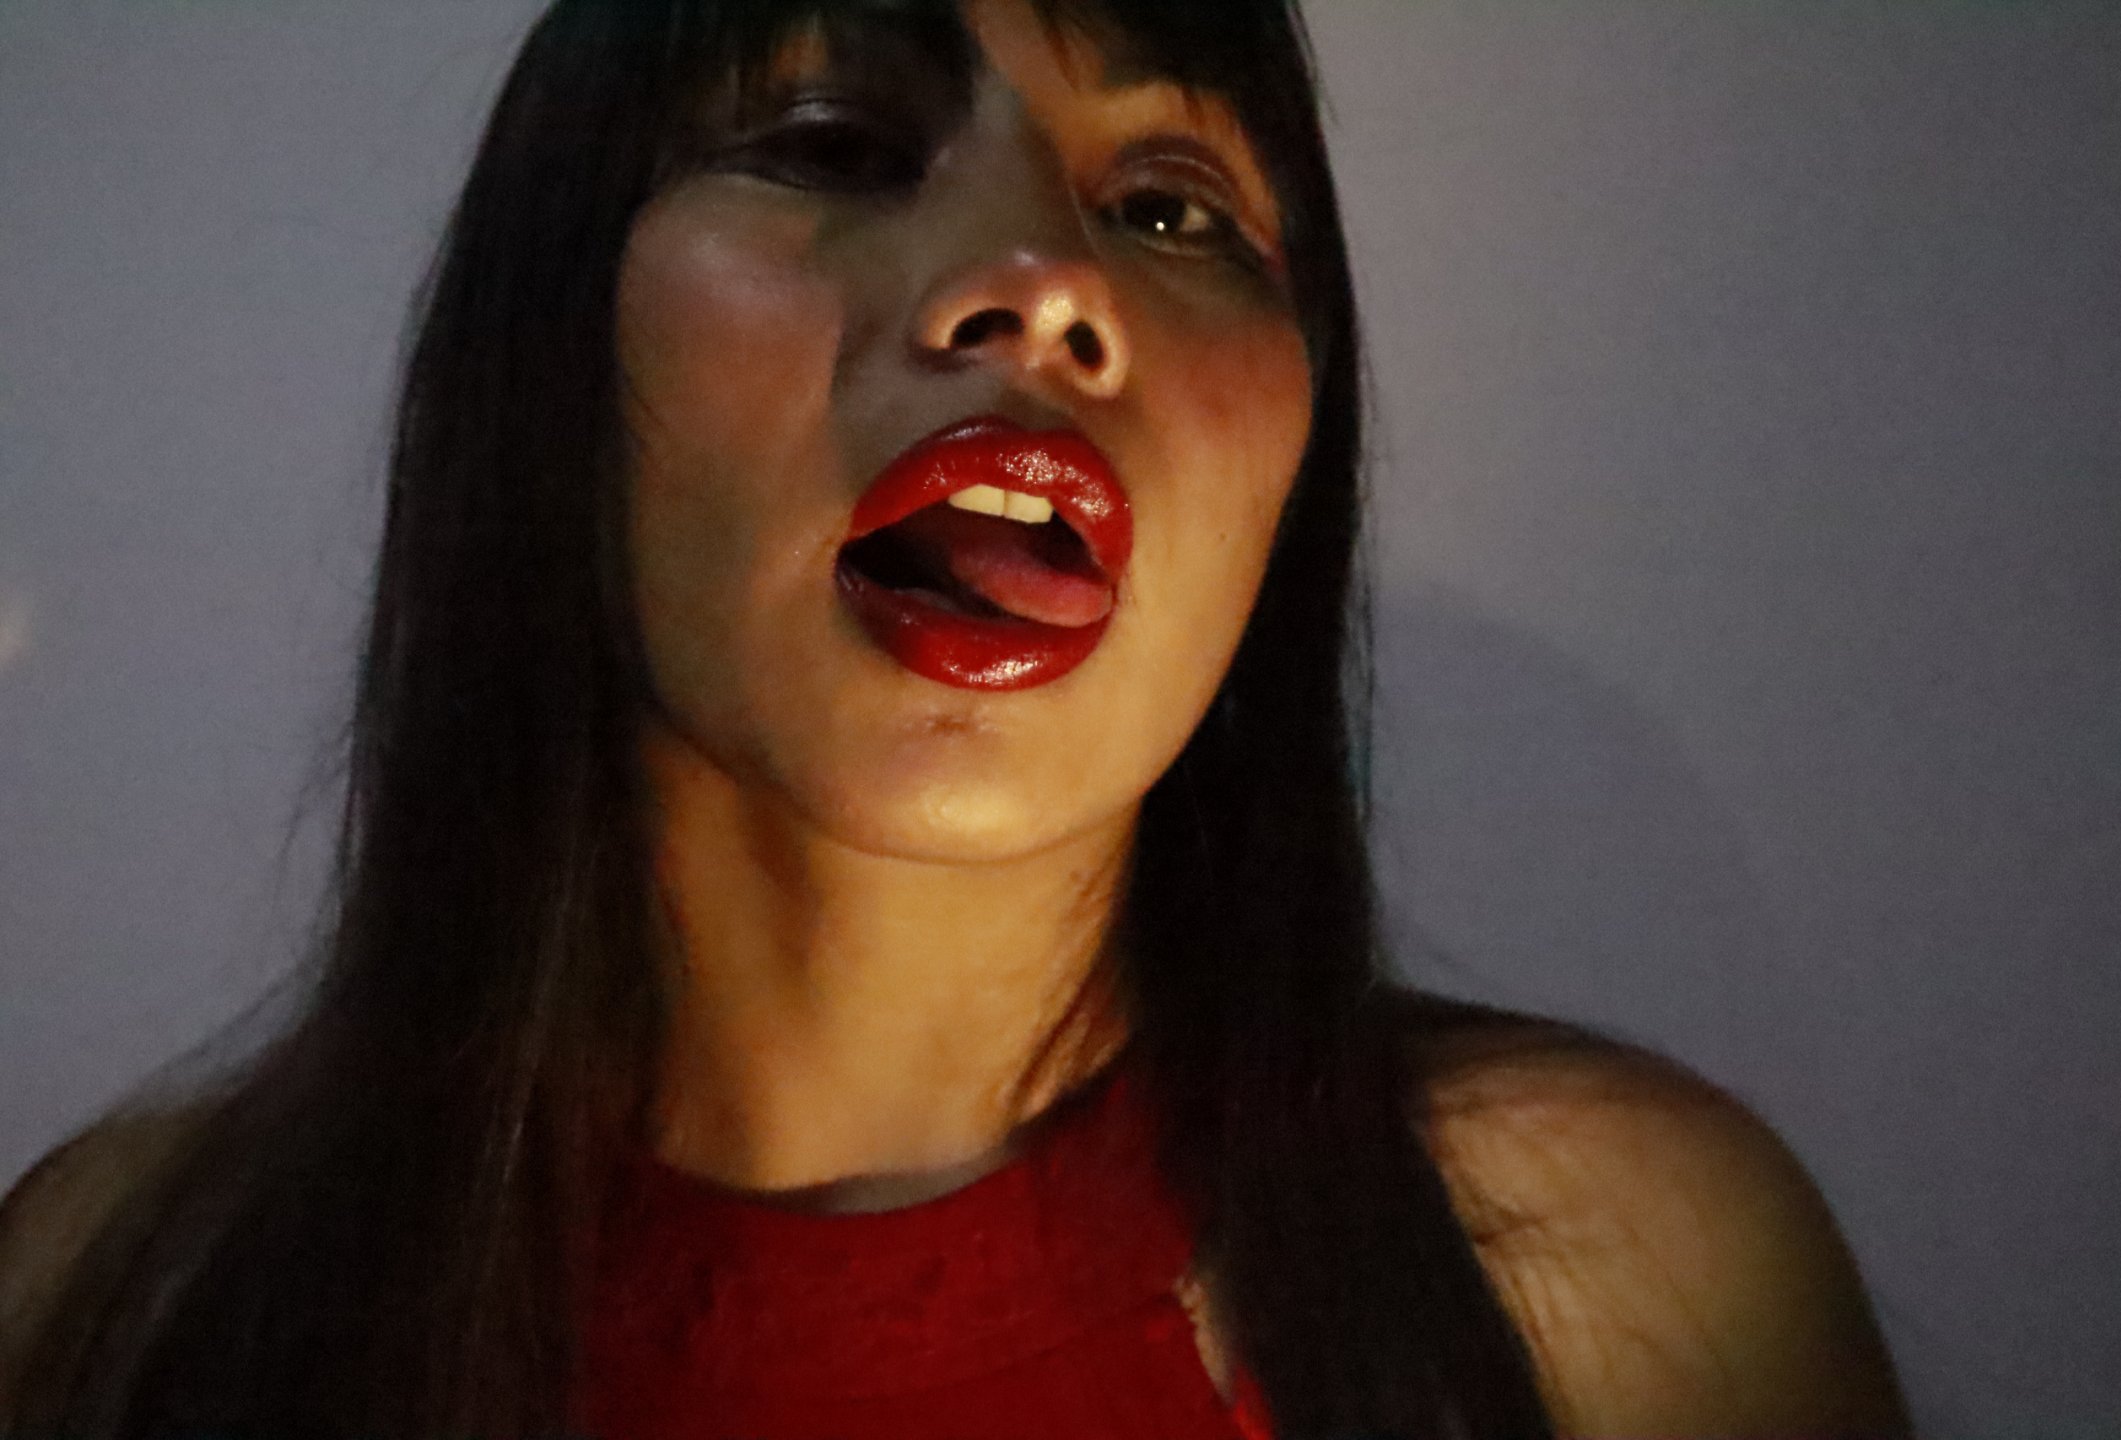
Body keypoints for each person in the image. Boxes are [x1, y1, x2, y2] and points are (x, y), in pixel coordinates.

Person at [0, 0, 1911, 1435]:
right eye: (832, 143)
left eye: (1170, 208)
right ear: (551, 354)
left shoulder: (1626, 1294)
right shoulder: (121, 1302)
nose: (1044, 283)